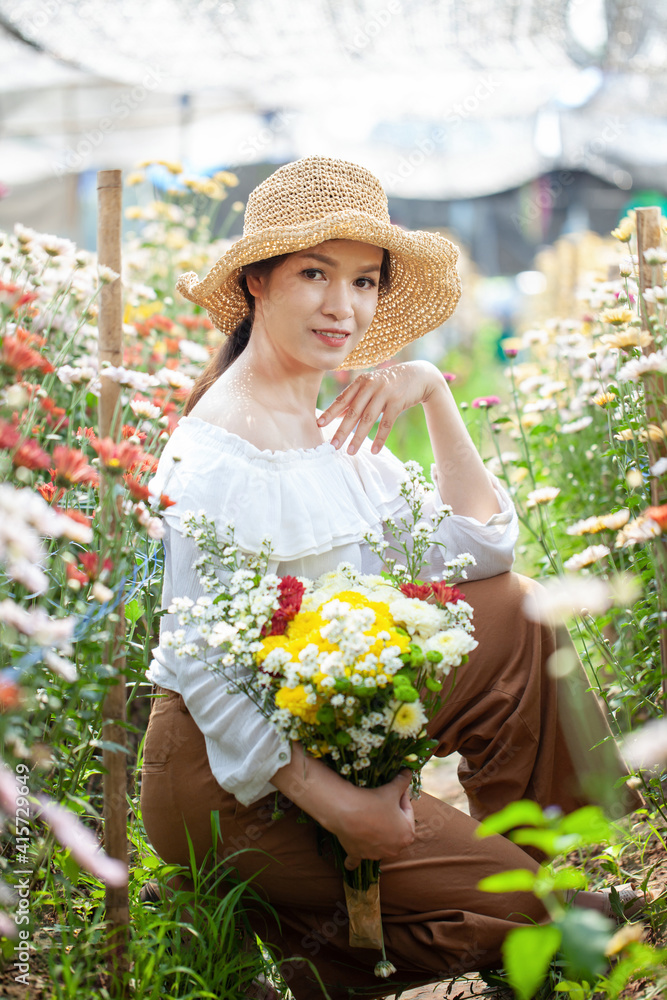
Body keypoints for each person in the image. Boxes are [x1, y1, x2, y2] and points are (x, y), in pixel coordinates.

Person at [140, 156, 643, 999]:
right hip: (231, 774)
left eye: (364, 282)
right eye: (314, 274)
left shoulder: (329, 422)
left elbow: (483, 552)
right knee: (545, 924)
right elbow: (204, 666)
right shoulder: (219, 448)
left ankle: (528, 859)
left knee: (516, 613)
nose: (343, 306)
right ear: (257, 282)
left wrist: (433, 395)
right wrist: (340, 805)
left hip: (329, 722)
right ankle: (298, 927)